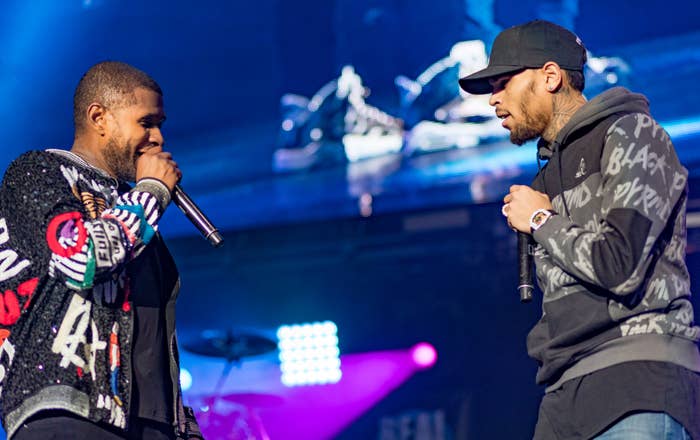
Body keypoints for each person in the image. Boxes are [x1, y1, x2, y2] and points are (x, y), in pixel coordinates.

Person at [459, 20, 700, 439]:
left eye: (503, 83)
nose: (494, 100)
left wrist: (541, 221)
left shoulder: (632, 134)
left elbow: (619, 264)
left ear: (550, 77)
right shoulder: (543, 181)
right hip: (563, 393)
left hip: (636, 377)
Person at [0, 61, 202, 439]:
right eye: (146, 123)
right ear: (99, 117)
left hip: (146, 424)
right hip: (67, 411)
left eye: (160, 125)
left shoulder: (132, 208)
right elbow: (81, 257)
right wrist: (153, 192)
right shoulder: (38, 171)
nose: (158, 138)